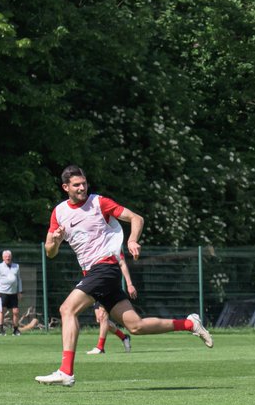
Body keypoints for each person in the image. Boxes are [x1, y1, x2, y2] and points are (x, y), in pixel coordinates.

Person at [35, 165, 213, 387]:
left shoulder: (99, 203)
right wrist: (56, 240)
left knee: (66, 309)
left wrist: (131, 240)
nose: (82, 187)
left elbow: (136, 218)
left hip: (105, 268)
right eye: (76, 185)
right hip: (93, 272)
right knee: (136, 326)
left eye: (84, 183)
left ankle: (66, 371)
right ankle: (189, 324)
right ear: (65, 187)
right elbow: (50, 253)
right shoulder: (59, 212)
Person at [0, 250, 22, 335]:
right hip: (3, 293)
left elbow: (19, 279)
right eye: (6, 256)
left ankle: (15, 330)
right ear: (3, 258)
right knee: (2, 311)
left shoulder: (16, 266)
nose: (7, 258)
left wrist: (19, 291)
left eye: (9, 256)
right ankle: (1, 329)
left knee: (16, 311)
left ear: (11, 257)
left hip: (13, 293)